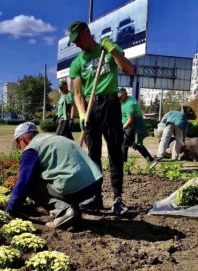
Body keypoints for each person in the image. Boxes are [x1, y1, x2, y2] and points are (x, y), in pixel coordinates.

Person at [67, 21, 134, 215]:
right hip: (90, 108)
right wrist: (81, 114)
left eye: (78, 39)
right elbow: (78, 94)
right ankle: (96, 198)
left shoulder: (107, 50)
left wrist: (113, 51)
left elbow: (129, 69)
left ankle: (117, 199)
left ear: (87, 32)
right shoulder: (77, 63)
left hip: (111, 104)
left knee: (115, 152)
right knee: (92, 155)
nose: (77, 44)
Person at [5, 122, 103, 229]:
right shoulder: (54, 138)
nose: (20, 148)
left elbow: (23, 183)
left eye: (19, 145)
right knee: (54, 176)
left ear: (22, 140)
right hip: (94, 183)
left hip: (75, 186)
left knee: (32, 184)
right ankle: (75, 212)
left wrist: (10, 209)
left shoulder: (32, 150)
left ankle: (64, 211)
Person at [119, 88, 153, 162]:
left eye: (120, 96)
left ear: (125, 94)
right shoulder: (126, 100)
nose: (119, 98)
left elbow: (130, 120)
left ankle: (123, 164)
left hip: (131, 125)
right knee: (136, 144)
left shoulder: (129, 104)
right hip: (130, 125)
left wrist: (123, 128)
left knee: (124, 144)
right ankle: (151, 160)